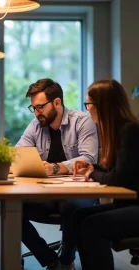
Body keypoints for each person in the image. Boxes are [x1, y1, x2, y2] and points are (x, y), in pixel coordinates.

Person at [16, 78, 99, 270]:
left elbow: (89, 159)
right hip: (46, 194)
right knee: (11, 208)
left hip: (78, 192)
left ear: (57, 102)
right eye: (33, 108)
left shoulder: (82, 121)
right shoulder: (36, 125)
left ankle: (66, 260)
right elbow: (19, 152)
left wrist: (55, 168)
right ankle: (50, 260)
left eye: (40, 107)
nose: (37, 113)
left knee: (73, 207)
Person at [72, 79, 139, 270]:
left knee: (92, 225)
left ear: (102, 105)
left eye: (89, 104)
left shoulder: (131, 131)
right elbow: (116, 171)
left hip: (135, 206)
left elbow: (119, 178)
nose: (87, 109)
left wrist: (92, 173)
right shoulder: (119, 131)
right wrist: (92, 168)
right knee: (79, 217)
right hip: (128, 204)